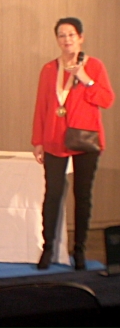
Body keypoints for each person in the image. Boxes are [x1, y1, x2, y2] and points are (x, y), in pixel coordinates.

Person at [32, 17, 114, 270]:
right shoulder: (48, 69)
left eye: (71, 35)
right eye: (61, 35)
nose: (66, 40)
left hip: (85, 139)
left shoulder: (94, 66)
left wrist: (85, 78)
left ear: (80, 37)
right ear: (57, 39)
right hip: (55, 139)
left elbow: (106, 99)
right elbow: (42, 106)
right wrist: (37, 140)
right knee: (53, 194)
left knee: (83, 195)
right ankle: (48, 248)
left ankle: (79, 250)